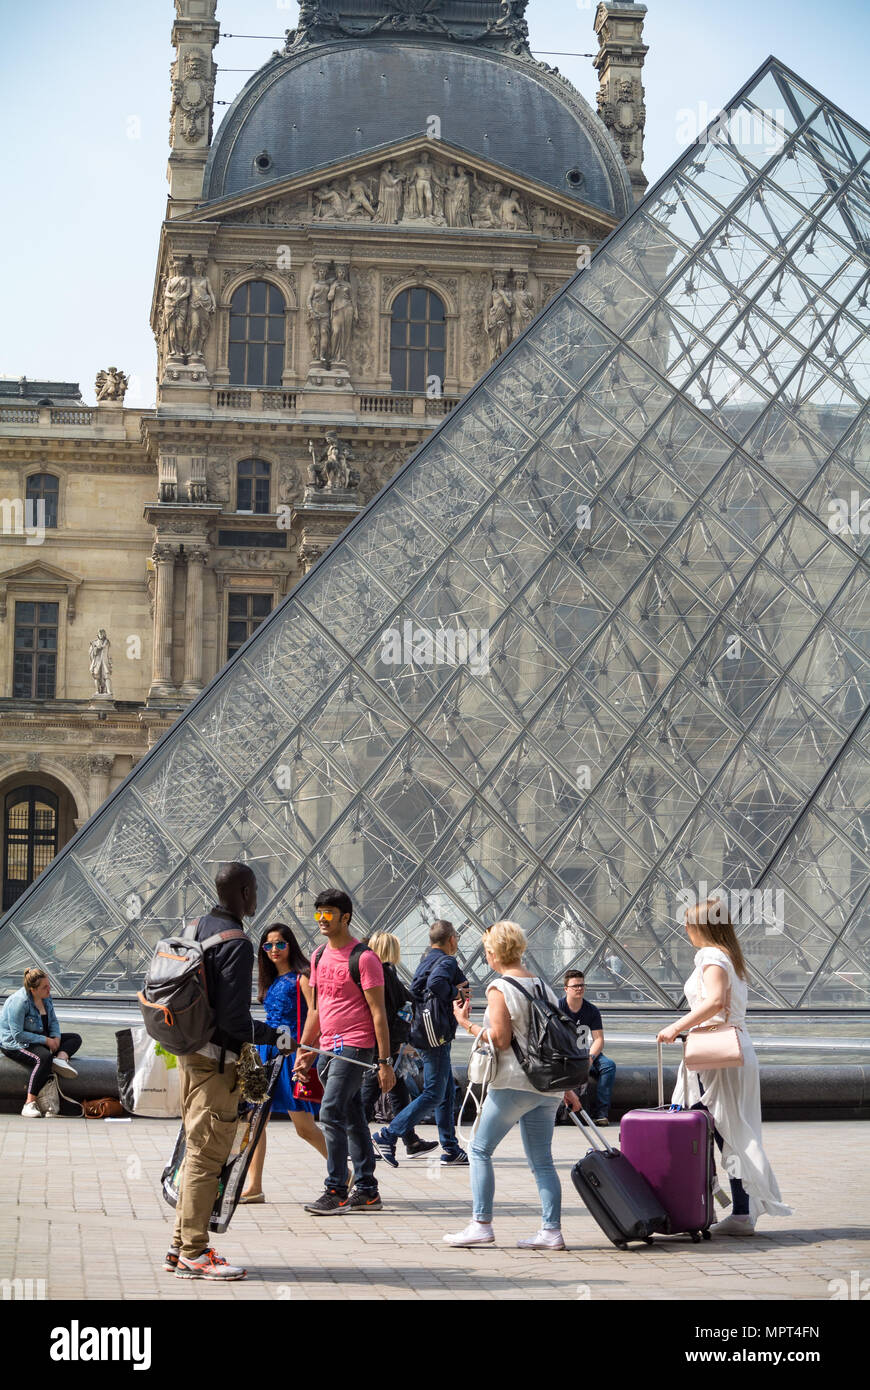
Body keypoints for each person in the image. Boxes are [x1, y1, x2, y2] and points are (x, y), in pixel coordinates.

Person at [165, 863, 292, 1281]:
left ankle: (181, 1244)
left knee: (195, 1149)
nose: (257, 896)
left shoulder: (195, 927)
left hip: (190, 1055)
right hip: (218, 1064)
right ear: (243, 890)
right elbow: (236, 1022)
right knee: (206, 1157)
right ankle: (195, 1254)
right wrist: (273, 1035)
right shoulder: (235, 943)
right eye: (255, 888)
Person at [657, 898, 792, 1236]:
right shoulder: (729, 957)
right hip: (730, 1049)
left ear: (700, 927)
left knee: (726, 1130)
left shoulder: (711, 956)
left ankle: (740, 1212)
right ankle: (738, 1209)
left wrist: (676, 1027)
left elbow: (715, 1001)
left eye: (688, 924)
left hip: (719, 1054)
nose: (684, 930)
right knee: (729, 1130)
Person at [446, 921, 581, 1249]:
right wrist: (565, 1087)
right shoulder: (542, 986)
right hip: (547, 1086)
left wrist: (465, 1023)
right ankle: (551, 1232)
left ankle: (481, 1224)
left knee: (479, 1149)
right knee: (542, 1160)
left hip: (514, 1083)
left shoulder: (499, 988)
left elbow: (501, 1040)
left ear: (493, 953)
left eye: (487, 952)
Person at [294, 890, 395, 1214]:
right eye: (319, 913)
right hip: (328, 1048)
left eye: (328, 913)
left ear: (345, 917)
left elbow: (378, 1012)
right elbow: (319, 1008)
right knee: (352, 1118)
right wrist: (306, 1048)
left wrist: (384, 1062)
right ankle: (367, 1190)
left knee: (331, 1112)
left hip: (355, 1046)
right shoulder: (319, 956)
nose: (322, 919)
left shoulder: (364, 958)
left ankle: (337, 1189)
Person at [240, 923, 328, 1204]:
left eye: (280, 944)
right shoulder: (271, 981)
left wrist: (306, 1050)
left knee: (303, 1127)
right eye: (268, 945)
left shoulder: (302, 977)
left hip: (290, 1054)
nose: (274, 950)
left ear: (290, 945)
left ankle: (343, 1170)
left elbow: (317, 1014)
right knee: (255, 1122)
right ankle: (254, 1186)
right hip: (265, 1052)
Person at [372, 919, 468, 1168]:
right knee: (435, 1092)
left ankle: (450, 1148)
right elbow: (436, 985)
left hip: (425, 1032)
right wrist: (456, 994)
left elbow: (416, 991)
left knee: (445, 1092)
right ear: (451, 939)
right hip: (436, 1035)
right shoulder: (447, 960)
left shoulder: (427, 958)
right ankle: (388, 1134)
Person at [360, 931, 437, 1158]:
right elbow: (395, 1006)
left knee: (398, 1091)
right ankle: (353, 1142)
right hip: (385, 1042)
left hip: (387, 1041)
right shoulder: (383, 973)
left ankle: (410, 1140)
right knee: (371, 1091)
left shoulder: (383, 972)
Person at [0, 968, 81, 1116]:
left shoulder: (46, 997)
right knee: (43, 1058)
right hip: (16, 1043)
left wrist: (56, 1038)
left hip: (39, 1038)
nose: (49, 989)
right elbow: (17, 1034)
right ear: (33, 989)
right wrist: (45, 1040)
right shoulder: (19, 1002)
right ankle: (29, 1104)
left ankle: (61, 1060)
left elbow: (53, 1021)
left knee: (75, 1038)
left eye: (49, 985)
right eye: (45, 987)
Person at [559, 969, 616, 1125]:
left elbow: (598, 1039)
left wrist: (590, 1057)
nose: (579, 988)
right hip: (567, 1054)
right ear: (566, 989)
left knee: (609, 1066)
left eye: (582, 985)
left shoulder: (592, 1010)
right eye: (575, 986)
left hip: (586, 1053)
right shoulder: (557, 1008)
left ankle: (601, 1113)